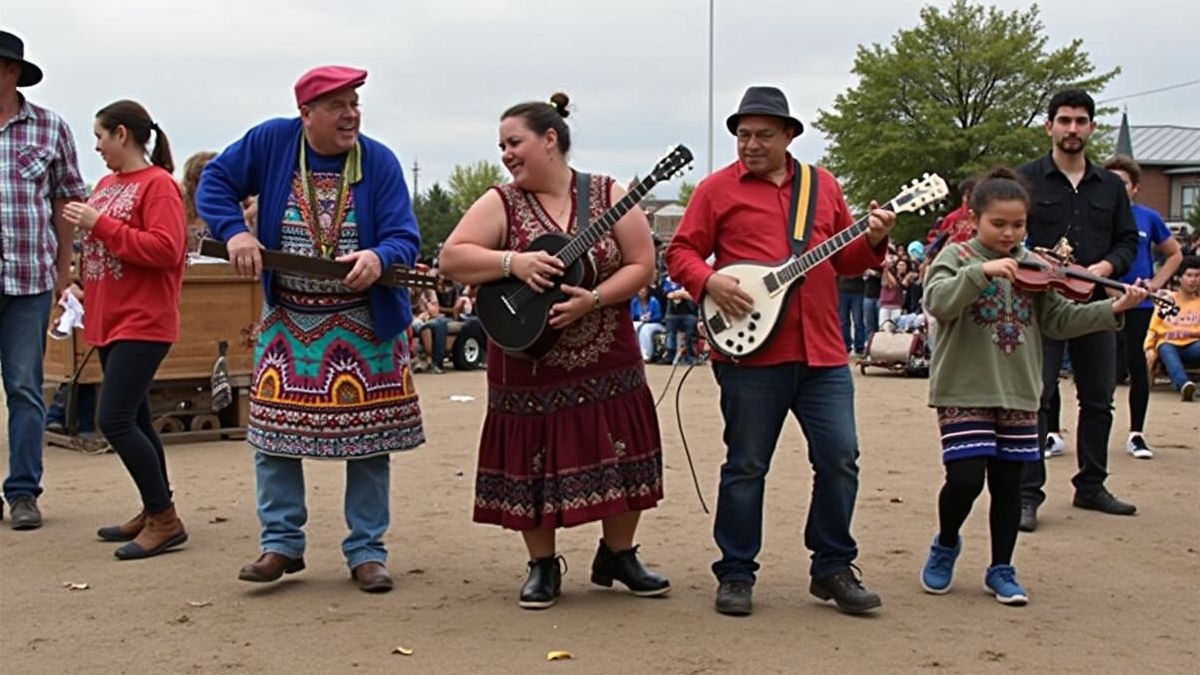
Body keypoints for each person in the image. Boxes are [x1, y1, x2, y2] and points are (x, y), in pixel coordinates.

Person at [666, 86, 896, 616]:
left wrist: (878, 237)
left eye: (762, 135)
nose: (750, 144)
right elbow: (680, 250)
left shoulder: (824, 186)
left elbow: (847, 260)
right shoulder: (715, 190)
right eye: (743, 135)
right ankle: (736, 573)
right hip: (750, 356)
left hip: (823, 352)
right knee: (746, 465)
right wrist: (710, 283)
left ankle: (833, 567)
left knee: (840, 458)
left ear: (789, 135)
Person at [196, 65, 423, 592]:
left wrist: (379, 253)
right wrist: (234, 233)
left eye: (356, 103)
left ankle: (367, 551)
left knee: (369, 442)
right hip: (290, 318)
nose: (351, 115)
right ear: (306, 114)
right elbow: (216, 182)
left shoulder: (380, 160)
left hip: (365, 322)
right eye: (338, 105)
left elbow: (403, 235)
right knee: (274, 437)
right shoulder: (272, 141)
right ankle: (280, 544)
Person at [439, 92, 668, 609]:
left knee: (621, 448)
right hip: (529, 360)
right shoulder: (500, 202)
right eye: (501, 145)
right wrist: (511, 264)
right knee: (533, 456)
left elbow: (640, 264)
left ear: (550, 139)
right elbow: (453, 257)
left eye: (514, 142)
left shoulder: (608, 193)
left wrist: (594, 299)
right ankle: (542, 565)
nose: (506, 154)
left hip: (607, 350)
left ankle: (619, 554)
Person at [919, 167, 1148, 606]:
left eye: (1018, 225)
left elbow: (1060, 318)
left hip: (1020, 390)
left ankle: (1001, 568)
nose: (1009, 234)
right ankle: (947, 542)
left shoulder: (1038, 265)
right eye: (998, 224)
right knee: (965, 480)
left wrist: (1112, 307)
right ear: (975, 218)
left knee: (1009, 483)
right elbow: (938, 302)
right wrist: (982, 272)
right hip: (964, 388)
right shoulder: (957, 257)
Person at [62, 100, 189, 558]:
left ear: (121, 134)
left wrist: (103, 224)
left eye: (99, 136)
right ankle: (156, 508)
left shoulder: (158, 186)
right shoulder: (108, 184)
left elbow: (167, 249)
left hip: (143, 318)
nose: (95, 146)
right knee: (134, 417)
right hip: (109, 318)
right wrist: (79, 286)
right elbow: (100, 250)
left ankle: (165, 519)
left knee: (112, 419)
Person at [1017, 89, 1140, 532]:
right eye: (1064, 120)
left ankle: (1092, 485)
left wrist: (1101, 269)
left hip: (1097, 305)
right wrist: (1036, 262)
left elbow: (1128, 240)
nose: (1072, 129)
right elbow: (1008, 238)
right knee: (1037, 398)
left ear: (1091, 127)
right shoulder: (1025, 179)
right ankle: (1028, 495)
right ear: (1049, 125)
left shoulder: (1110, 185)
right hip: (1041, 305)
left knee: (1099, 399)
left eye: (1081, 121)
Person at [0, 30, 88, 528]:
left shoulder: (50, 128)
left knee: (25, 387)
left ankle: (23, 493)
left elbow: (66, 203)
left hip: (29, 278)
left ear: (11, 72)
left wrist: (64, 271)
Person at [1102, 156, 1182, 458]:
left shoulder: (1148, 217)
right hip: (1104, 301)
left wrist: (1155, 284)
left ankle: (1136, 434)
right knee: (1103, 368)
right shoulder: (1096, 217)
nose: (1116, 188)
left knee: (1138, 364)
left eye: (1122, 182)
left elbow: (1173, 254)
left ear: (1135, 188)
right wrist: (1109, 289)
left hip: (1140, 303)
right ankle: (1095, 433)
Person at [1144, 256, 1200, 401]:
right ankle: (1184, 385)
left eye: (1197, 276)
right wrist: (1148, 347)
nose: (1193, 280)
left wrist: (1187, 332)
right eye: (1189, 275)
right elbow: (1154, 326)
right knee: (1164, 346)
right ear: (1179, 278)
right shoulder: (1169, 300)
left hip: (1194, 344)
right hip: (1170, 345)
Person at [631, 285, 666, 362]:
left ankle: (646, 354)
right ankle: (633, 353)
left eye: (644, 291)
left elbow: (659, 315)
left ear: (648, 292)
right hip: (640, 322)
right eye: (640, 291)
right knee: (632, 326)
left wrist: (649, 319)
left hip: (654, 323)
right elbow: (632, 315)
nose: (642, 293)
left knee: (645, 328)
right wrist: (640, 317)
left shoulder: (654, 301)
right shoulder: (635, 302)